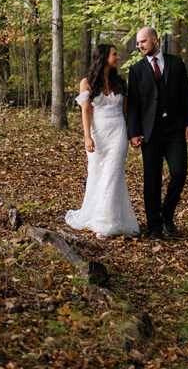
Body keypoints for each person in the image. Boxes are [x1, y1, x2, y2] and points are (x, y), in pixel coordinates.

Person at [127, 26, 188, 240]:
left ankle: (166, 212)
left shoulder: (175, 63)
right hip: (150, 133)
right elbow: (133, 105)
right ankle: (154, 227)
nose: (140, 46)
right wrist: (134, 132)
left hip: (174, 130)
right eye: (138, 43)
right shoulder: (136, 70)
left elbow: (186, 94)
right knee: (152, 179)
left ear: (155, 40)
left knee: (179, 172)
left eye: (143, 42)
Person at [65, 44, 140, 239]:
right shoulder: (87, 82)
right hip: (98, 134)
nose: (117, 57)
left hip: (118, 133)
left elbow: (125, 112)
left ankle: (108, 222)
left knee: (113, 175)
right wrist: (87, 136)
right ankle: (95, 215)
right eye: (114, 54)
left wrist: (131, 134)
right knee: (97, 175)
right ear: (104, 56)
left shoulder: (121, 82)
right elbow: (86, 111)